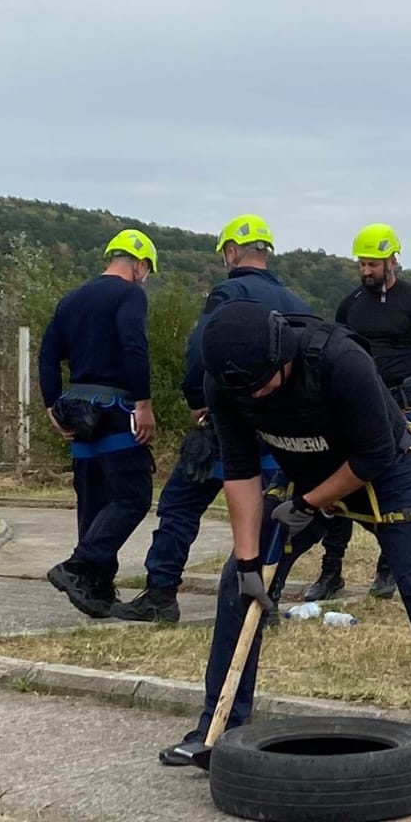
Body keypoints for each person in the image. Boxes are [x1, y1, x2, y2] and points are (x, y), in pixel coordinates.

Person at [156, 299, 411, 786]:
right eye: (246, 392)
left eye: (264, 385)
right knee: (239, 585)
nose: (256, 397)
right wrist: (250, 559)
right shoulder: (227, 382)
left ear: (283, 357)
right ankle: (217, 729)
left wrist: (309, 505)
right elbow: (239, 469)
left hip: (384, 471)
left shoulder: (341, 361)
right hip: (303, 477)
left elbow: (374, 454)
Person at [112, 215, 312, 624]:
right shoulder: (297, 303)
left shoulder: (227, 292)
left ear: (232, 252)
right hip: (280, 430)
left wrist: (197, 399)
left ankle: (161, 594)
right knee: (272, 513)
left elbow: (202, 348)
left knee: (180, 505)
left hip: (225, 421)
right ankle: (263, 599)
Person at [297, 222, 411, 603]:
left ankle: (388, 569)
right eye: (362, 264)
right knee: (340, 486)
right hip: (355, 404)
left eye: (373, 264)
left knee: (394, 488)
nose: (366, 271)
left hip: (402, 404)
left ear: (392, 260)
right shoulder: (350, 305)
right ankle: (331, 572)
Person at [39, 229, 158, 618]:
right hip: (115, 408)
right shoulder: (130, 295)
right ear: (139, 265)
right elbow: (134, 346)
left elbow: (47, 356)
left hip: (77, 410)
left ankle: (97, 590)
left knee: (93, 502)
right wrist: (143, 403)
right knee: (133, 496)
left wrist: (51, 406)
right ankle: (78, 566)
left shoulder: (72, 299)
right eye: (147, 271)